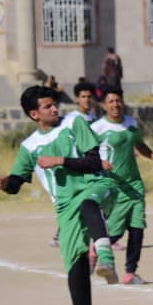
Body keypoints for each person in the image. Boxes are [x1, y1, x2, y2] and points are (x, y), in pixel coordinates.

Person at [0, 85, 119, 305]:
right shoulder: (29, 147)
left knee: (89, 205)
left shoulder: (75, 122)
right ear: (34, 114)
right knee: (75, 270)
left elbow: (94, 162)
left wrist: (60, 160)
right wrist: (6, 184)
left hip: (97, 185)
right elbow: (18, 181)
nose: (55, 109)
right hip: (64, 207)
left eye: (55, 104)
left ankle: (106, 257)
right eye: (48, 106)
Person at [91, 88, 153, 285]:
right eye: (111, 101)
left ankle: (130, 273)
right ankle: (95, 250)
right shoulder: (97, 128)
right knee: (115, 231)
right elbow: (87, 153)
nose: (115, 104)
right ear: (104, 105)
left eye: (118, 100)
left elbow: (140, 145)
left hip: (135, 185)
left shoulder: (131, 123)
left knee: (137, 229)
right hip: (113, 187)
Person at [48, 80, 101, 249]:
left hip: (94, 165)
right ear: (77, 99)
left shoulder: (94, 118)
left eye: (89, 97)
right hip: (78, 167)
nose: (86, 100)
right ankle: (61, 234)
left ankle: (98, 238)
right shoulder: (72, 119)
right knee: (78, 203)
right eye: (83, 96)